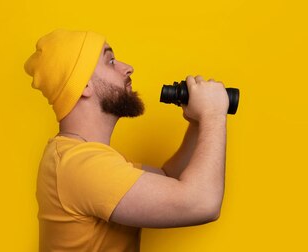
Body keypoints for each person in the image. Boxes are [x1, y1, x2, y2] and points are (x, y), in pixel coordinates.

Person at [24, 29, 229, 251]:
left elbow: (169, 178)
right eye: (110, 61)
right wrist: (213, 115)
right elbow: (202, 203)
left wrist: (197, 123)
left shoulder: (80, 158)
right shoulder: (79, 166)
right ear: (83, 86)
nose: (127, 67)